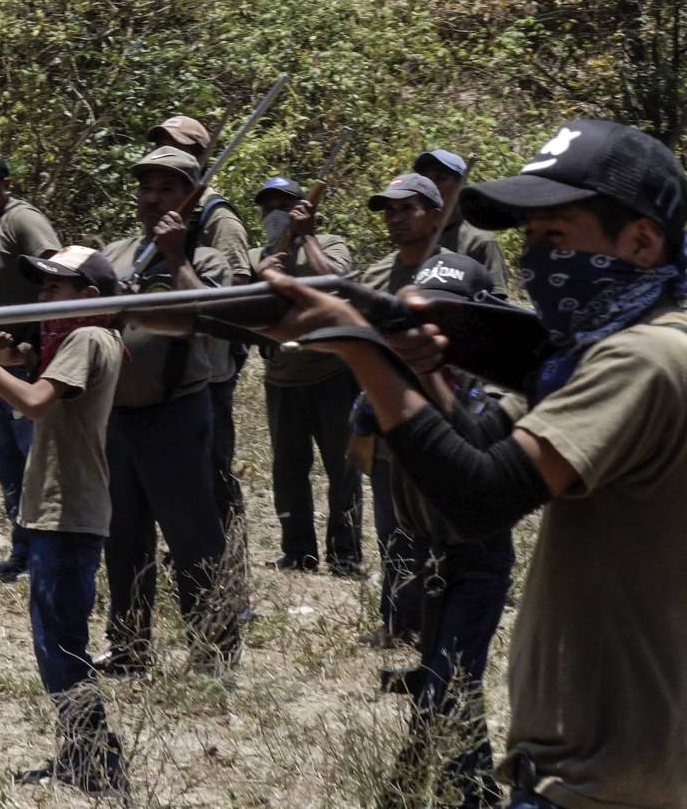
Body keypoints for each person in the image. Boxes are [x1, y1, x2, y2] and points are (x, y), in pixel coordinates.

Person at [257, 117, 687, 809]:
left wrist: (361, 347)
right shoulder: (602, 356)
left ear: (641, 240)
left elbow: (483, 497)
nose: (539, 261)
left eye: (557, 235)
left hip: (611, 768)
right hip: (591, 757)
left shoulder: (640, 359)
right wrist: (417, 364)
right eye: (532, 240)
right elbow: (483, 444)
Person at [0, 245, 127, 795]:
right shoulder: (81, 341)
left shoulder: (88, 338)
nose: (43, 298)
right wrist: (15, 360)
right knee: (55, 637)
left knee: (60, 642)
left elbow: (35, 402)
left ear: (89, 297)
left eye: (54, 289)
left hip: (69, 511)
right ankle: (83, 751)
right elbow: (48, 391)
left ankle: (96, 758)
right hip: (60, 509)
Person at [363, 252, 519, 809]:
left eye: (445, 317)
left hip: (478, 558)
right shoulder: (403, 370)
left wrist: (429, 373)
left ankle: (421, 791)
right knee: (449, 686)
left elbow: (478, 452)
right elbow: (362, 424)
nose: (431, 328)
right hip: (425, 552)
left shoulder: (503, 381)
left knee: (445, 688)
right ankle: (473, 792)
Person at [96, 145, 241, 674]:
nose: (153, 199)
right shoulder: (113, 254)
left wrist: (176, 256)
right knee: (123, 537)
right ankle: (130, 648)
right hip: (116, 417)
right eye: (147, 188)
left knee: (192, 538)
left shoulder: (206, 260)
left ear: (192, 200)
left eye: (168, 189)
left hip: (176, 414)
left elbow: (204, 315)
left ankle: (213, 652)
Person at [147, 114, 254, 538]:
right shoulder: (161, 207)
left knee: (213, 471)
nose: (163, 154)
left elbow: (236, 292)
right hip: (164, 365)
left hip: (208, 369)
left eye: (176, 146)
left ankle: (226, 571)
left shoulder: (217, 218)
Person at [255, 176, 362, 575]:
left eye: (284, 206)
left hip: (332, 374)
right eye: (268, 208)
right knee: (288, 472)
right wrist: (264, 274)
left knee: (343, 469)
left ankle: (346, 556)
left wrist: (308, 239)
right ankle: (298, 552)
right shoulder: (259, 255)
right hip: (281, 380)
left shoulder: (330, 244)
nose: (275, 215)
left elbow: (338, 286)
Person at [358, 171, 449, 643]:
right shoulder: (375, 276)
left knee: (441, 526)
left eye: (405, 208)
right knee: (393, 527)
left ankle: (440, 619)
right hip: (387, 418)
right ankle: (397, 621)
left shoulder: (454, 273)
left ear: (435, 214)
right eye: (389, 210)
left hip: (440, 420)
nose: (394, 218)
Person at [0, 144, 59, 585]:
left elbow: (57, 275)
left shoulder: (22, 220)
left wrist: (27, 339)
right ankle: (22, 552)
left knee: (35, 463)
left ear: (5, 185)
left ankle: (47, 554)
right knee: (6, 467)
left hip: (23, 363)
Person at [413, 149, 509, 290]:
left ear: (461, 186)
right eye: (426, 180)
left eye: (440, 178)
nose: (431, 186)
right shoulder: (414, 234)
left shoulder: (480, 241)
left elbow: (496, 302)